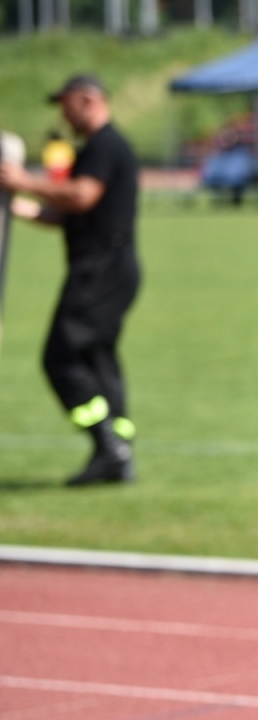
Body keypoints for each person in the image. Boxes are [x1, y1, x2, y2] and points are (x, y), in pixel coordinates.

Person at [0, 73, 142, 485]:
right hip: (111, 268)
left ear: (86, 101)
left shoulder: (104, 145)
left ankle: (109, 446)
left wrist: (23, 181)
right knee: (97, 357)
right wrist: (20, 208)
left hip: (99, 269)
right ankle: (118, 447)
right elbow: (69, 214)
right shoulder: (100, 147)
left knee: (60, 357)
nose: (62, 113)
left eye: (65, 103)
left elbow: (81, 196)